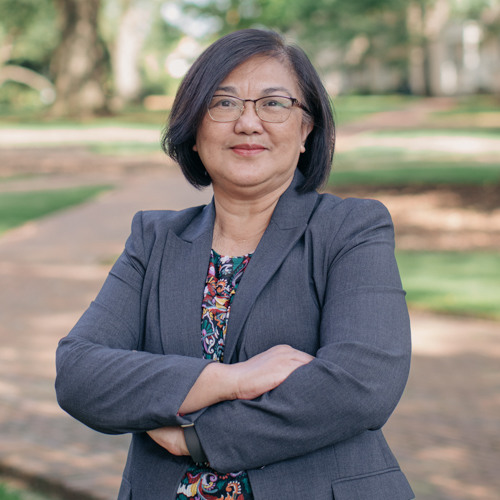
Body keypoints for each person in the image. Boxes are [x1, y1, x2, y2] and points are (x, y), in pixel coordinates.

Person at [55, 29, 414, 500]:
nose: (248, 123)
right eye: (223, 104)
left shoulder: (350, 229)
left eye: (274, 104)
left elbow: (362, 383)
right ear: (194, 131)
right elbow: (80, 373)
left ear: (307, 130)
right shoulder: (154, 238)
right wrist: (229, 381)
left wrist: (197, 437)